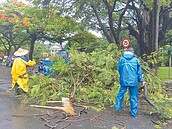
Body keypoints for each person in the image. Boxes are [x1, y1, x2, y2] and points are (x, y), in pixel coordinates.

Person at [114, 47, 146, 117]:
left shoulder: (121, 59)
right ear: (133, 52)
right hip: (134, 81)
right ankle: (133, 113)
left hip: (124, 80)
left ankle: (118, 106)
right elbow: (139, 72)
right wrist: (142, 80)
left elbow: (119, 69)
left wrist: (123, 75)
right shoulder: (136, 60)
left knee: (120, 93)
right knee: (134, 96)